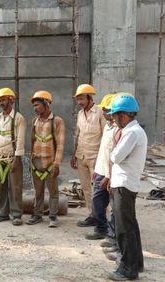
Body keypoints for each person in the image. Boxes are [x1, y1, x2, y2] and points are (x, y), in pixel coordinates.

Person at [106, 94, 147, 281]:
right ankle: (135, 262)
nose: (113, 119)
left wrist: (113, 148)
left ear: (125, 115)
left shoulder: (131, 133)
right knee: (130, 225)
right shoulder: (134, 131)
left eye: (115, 115)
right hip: (126, 183)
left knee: (124, 228)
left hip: (124, 184)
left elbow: (116, 157)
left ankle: (128, 268)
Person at [27, 91, 65, 228]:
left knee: (53, 192)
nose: (35, 108)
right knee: (38, 191)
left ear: (46, 104)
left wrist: (56, 164)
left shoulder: (57, 121)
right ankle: (37, 214)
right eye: (33, 106)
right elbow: (32, 140)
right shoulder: (35, 121)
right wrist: (31, 157)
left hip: (50, 162)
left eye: (37, 105)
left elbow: (60, 144)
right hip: (36, 162)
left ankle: (53, 216)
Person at [83, 93, 118, 239]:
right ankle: (101, 228)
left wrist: (109, 177)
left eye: (105, 110)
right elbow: (104, 150)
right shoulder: (109, 127)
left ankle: (113, 234)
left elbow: (116, 156)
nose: (103, 113)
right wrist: (97, 170)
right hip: (101, 171)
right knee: (97, 202)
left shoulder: (118, 129)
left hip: (112, 174)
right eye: (102, 110)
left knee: (114, 206)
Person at [71, 84, 106, 227]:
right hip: (81, 156)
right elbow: (77, 135)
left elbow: (106, 137)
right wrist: (74, 155)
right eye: (77, 99)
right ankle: (92, 215)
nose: (79, 102)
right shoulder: (80, 114)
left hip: (96, 157)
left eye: (81, 98)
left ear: (89, 97)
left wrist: (103, 159)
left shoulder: (100, 113)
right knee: (86, 188)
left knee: (99, 190)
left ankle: (102, 218)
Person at [0, 88, 26, 226]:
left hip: (13, 158)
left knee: (15, 187)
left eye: (3, 100)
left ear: (11, 100)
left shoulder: (18, 118)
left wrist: (17, 160)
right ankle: (3, 213)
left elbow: (21, 140)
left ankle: (16, 214)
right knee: (0, 186)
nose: (1, 103)